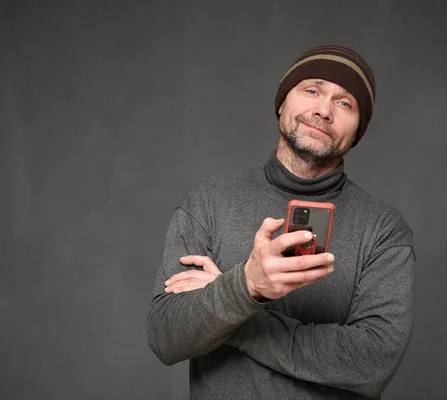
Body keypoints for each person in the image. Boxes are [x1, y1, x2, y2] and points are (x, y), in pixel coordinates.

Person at [147, 45, 415, 399]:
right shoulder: (208, 202)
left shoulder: (384, 230)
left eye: (345, 103)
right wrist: (247, 284)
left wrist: (239, 306)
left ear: (357, 131)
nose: (323, 110)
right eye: (312, 90)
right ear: (282, 104)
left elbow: (372, 362)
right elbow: (167, 337)